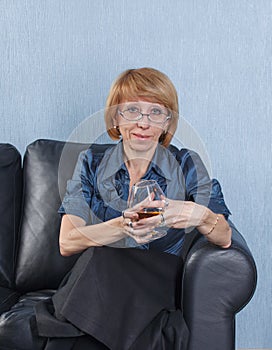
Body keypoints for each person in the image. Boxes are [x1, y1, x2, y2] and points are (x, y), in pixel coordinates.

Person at [35, 67, 232, 350]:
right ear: (116, 118)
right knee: (102, 259)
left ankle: (60, 325)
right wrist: (121, 226)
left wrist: (198, 214)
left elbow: (224, 236)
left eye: (156, 112)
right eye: (132, 110)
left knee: (102, 260)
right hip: (102, 284)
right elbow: (67, 241)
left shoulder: (187, 163)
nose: (143, 122)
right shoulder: (91, 162)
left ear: (167, 123)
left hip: (156, 277)